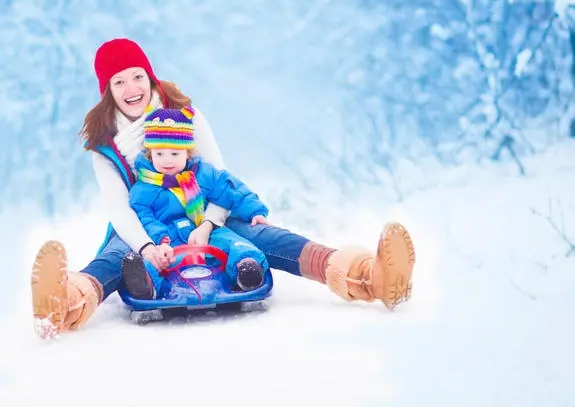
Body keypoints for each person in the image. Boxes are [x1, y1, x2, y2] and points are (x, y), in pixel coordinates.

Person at [30, 38, 415, 339]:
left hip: (204, 212)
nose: (132, 87)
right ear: (107, 90)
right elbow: (120, 210)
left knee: (265, 237)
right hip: (143, 225)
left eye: (137, 76)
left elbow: (219, 175)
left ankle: (368, 276)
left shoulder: (185, 117)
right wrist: (148, 246)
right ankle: (62, 303)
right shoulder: (105, 147)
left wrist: (210, 225)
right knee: (117, 257)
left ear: (149, 76)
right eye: (119, 81)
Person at [121, 106, 270, 299]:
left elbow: (231, 189)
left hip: (205, 231)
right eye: (159, 154)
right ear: (150, 154)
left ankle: (246, 270)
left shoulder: (204, 174)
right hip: (170, 238)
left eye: (174, 154)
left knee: (234, 243)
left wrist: (255, 211)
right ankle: (145, 283)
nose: (167, 160)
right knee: (155, 261)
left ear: (187, 153)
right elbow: (145, 218)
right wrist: (161, 241)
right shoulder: (143, 189)